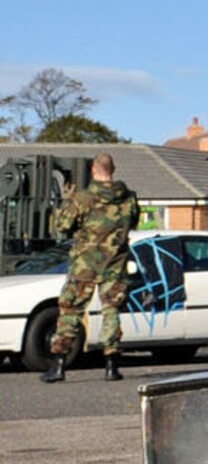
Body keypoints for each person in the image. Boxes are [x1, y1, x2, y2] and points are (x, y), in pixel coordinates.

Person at [43, 152, 140, 383]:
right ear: (112, 170)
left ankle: (58, 367)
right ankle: (111, 367)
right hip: (114, 266)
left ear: (94, 171)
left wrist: (66, 200)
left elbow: (62, 226)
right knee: (111, 313)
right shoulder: (129, 199)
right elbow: (133, 223)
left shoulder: (83, 198)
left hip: (84, 267)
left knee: (70, 312)